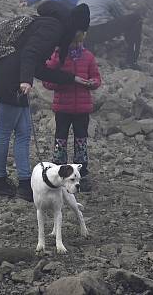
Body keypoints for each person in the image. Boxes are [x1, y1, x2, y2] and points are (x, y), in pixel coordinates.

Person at [0, 0, 93, 202]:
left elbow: (39, 67)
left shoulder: (49, 25)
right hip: (12, 80)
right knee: (5, 131)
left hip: (12, 78)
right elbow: (30, 54)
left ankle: (24, 184)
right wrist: (25, 81)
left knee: (23, 133)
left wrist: (71, 78)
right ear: (76, 27)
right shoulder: (53, 27)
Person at [42, 31, 101, 191]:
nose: (77, 46)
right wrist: (62, 82)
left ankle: (81, 173)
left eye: (79, 42)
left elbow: (97, 78)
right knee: (60, 139)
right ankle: (58, 170)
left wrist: (92, 83)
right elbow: (47, 80)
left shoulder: (88, 57)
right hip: (63, 107)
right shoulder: (57, 57)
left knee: (81, 140)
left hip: (82, 108)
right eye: (74, 43)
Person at [78, 0, 144, 69]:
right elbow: (121, 17)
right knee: (135, 19)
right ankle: (131, 61)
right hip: (95, 31)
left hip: (79, 33)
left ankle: (88, 51)